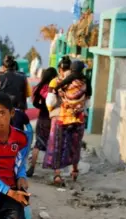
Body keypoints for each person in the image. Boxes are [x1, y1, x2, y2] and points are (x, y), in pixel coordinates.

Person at [43, 57, 90, 186]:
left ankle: (57, 174)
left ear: (60, 69)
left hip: (61, 118)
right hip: (78, 118)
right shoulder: (84, 82)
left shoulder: (56, 81)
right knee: (75, 145)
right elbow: (87, 102)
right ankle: (74, 170)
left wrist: (51, 111)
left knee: (57, 145)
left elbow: (50, 101)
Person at [27, 67, 58, 177]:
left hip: (42, 118)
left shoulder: (39, 87)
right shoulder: (55, 88)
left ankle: (32, 167)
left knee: (38, 144)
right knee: (55, 144)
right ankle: (56, 173)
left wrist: (43, 107)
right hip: (53, 118)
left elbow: (35, 103)